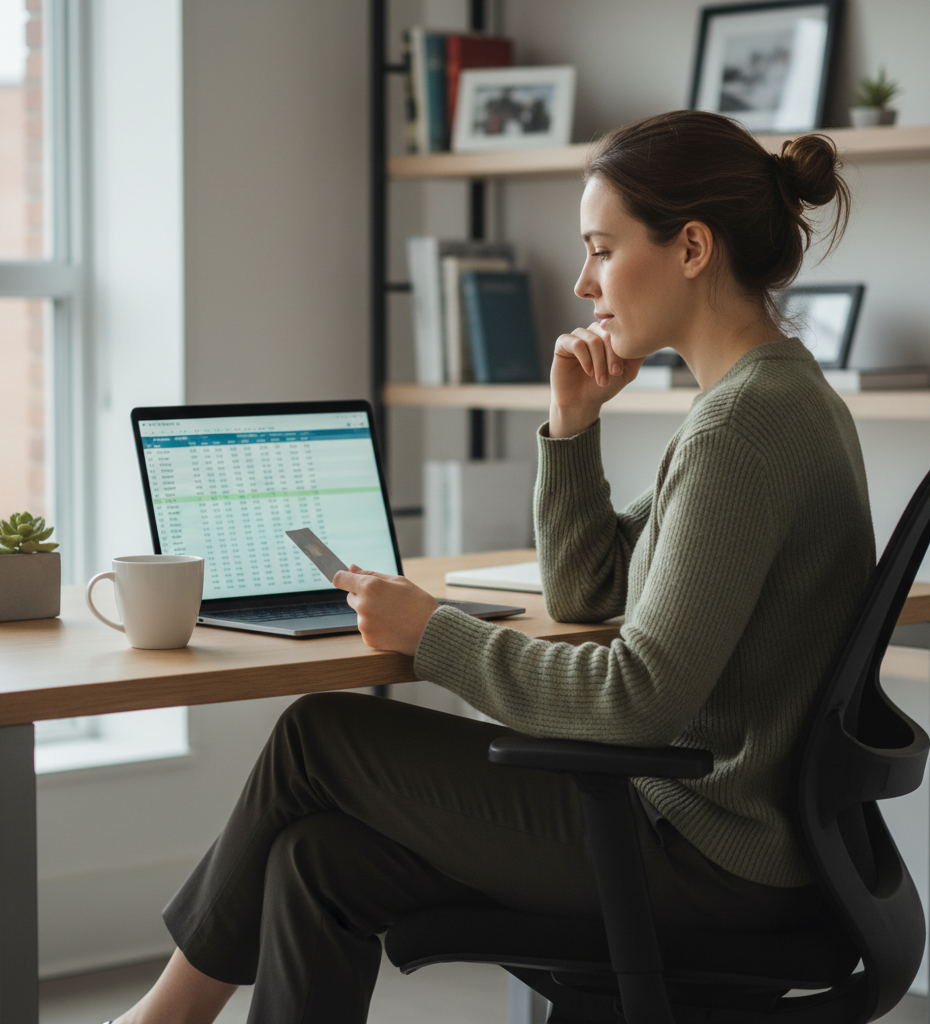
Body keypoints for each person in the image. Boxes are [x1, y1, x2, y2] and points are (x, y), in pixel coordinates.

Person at [105, 109, 870, 1024]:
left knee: (317, 734)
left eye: (601, 248)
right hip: (723, 837)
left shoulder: (742, 425)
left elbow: (638, 699)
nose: (586, 282)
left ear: (693, 247)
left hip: (705, 853)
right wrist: (573, 430)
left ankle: (163, 1016)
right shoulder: (775, 397)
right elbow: (588, 591)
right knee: (316, 859)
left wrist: (435, 637)